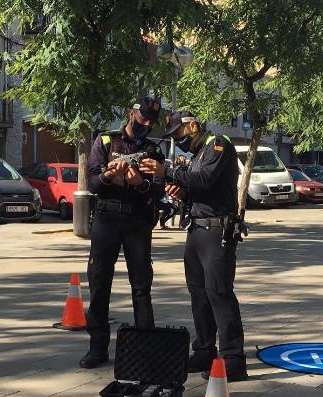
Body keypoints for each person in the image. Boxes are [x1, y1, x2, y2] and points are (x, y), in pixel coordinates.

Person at [142, 111, 248, 381]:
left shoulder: (218, 143)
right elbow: (198, 188)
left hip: (217, 230)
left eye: (179, 134)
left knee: (219, 294)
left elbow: (203, 178)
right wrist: (182, 192)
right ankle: (204, 350)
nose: (178, 141)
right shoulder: (199, 151)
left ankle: (233, 359)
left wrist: (168, 171)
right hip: (197, 228)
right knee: (198, 295)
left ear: (192, 125)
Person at [80, 96, 165, 369]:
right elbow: (92, 184)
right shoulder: (106, 141)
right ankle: (97, 347)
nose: (147, 124)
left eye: (152, 121)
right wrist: (107, 175)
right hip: (106, 218)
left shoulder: (153, 150)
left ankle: (146, 348)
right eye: (143, 118)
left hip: (137, 221)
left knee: (141, 286)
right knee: (99, 283)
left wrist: (140, 183)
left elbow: (158, 191)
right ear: (131, 113)